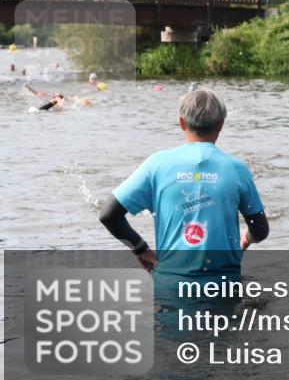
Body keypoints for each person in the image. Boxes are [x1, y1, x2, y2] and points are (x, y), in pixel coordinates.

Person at [98, 89, 269, 291]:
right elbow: (260, 229)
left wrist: (141, 250)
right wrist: (247, 237)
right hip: (223, 283)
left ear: (181, 122)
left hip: (170, 283)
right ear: (221, 124)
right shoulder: (237, 169)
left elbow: (109, 215)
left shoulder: (156, 164)